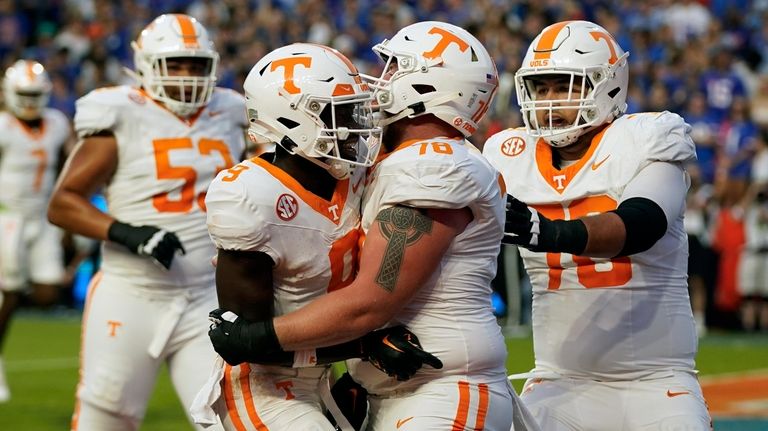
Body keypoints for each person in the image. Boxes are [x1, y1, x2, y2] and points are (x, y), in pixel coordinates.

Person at [207, 21, 537, 431]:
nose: (382, 80)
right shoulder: (360, 167)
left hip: (440, 383)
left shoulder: (430, 166)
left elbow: (369, 302)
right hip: (358, 383)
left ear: (427, 86)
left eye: (396, 67)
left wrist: (258, 339)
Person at [193, 42, 443, 431]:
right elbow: (245, 342)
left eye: (356, 110)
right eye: (341, 114)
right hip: (264, 386)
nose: (357, 124)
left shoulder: (354, 175)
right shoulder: (250, 195)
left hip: (325, 373)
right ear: (291, 119)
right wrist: (364, 346)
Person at [482, 20, 712, 430]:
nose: (550, 101)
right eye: (542, 88)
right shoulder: (507, 154)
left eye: (564, 86)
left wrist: (551, 233)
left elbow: (643, 222)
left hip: (656, 382)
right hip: (560, 380)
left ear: (606, 85)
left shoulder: (645, 140)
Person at [47, 14, 246, 430]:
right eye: (176, 63)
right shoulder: (122, 112)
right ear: (147, 65)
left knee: (226, 418)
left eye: (196, 64)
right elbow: (63, 202)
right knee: (105, 419)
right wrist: (128, 233)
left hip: (205, 297)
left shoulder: (231, 110)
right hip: (130, 292)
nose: (187, 75)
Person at [0, 59, 71, 403]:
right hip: (7, 216)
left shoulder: (57, 123)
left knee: (47, 292)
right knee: (8, 294)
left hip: (41, 216)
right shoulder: (2, 126)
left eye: (35, 94)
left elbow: (64, 165)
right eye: (23, 94)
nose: (29, 102)